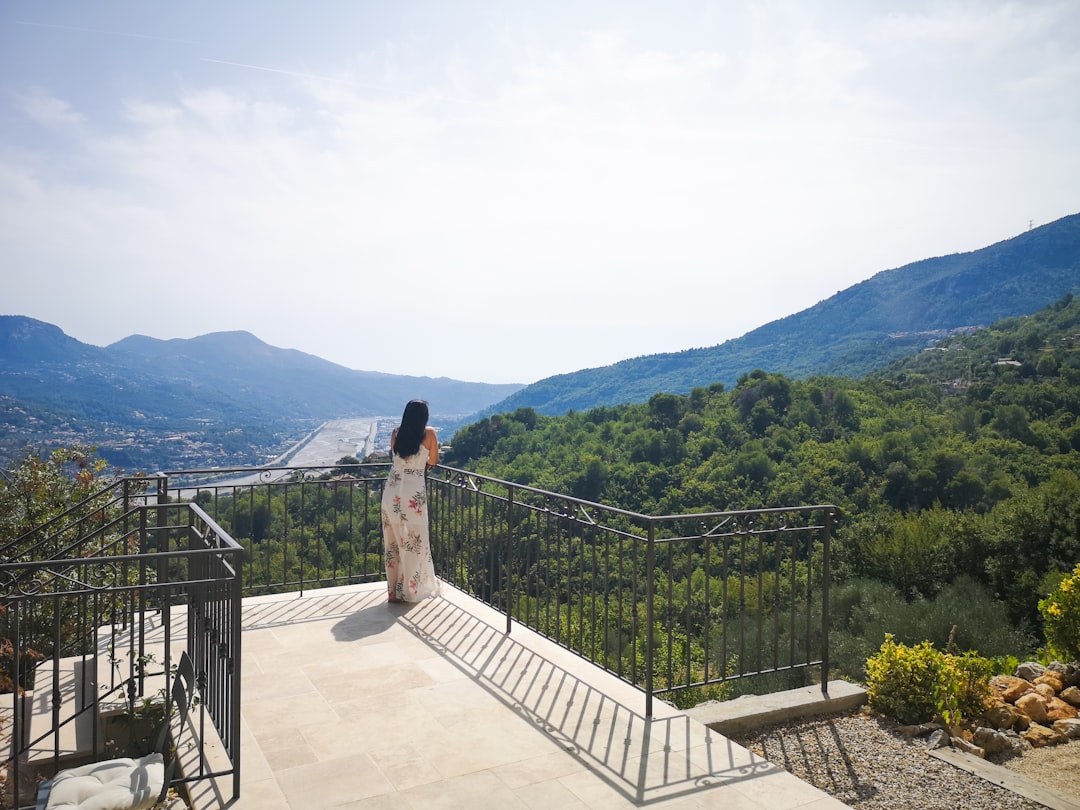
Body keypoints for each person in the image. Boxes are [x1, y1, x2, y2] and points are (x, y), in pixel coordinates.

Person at [382, 399, 440, 603]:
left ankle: (394, 592)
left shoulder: (397, 433)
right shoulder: (430, 434)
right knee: (415, 541)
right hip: (413, 493)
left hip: (392, 491)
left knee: (393, 542)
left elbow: (394, 456)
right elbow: (433, 461)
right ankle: (411, 590)